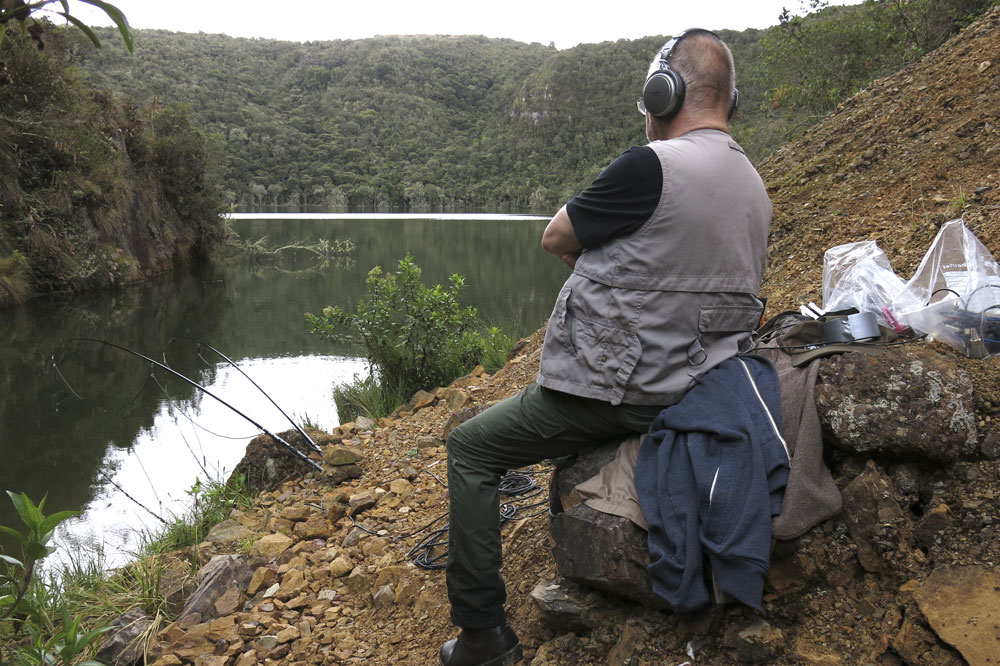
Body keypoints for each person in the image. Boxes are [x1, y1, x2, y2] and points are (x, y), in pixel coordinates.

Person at [438, 29, 772, 666]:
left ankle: (482, 634)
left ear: (663, 92)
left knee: (471, 449)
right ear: (731, 102)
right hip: (702, 387)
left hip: (625, 390)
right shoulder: (754, 186)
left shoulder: (651, 165)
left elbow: (556, 236)